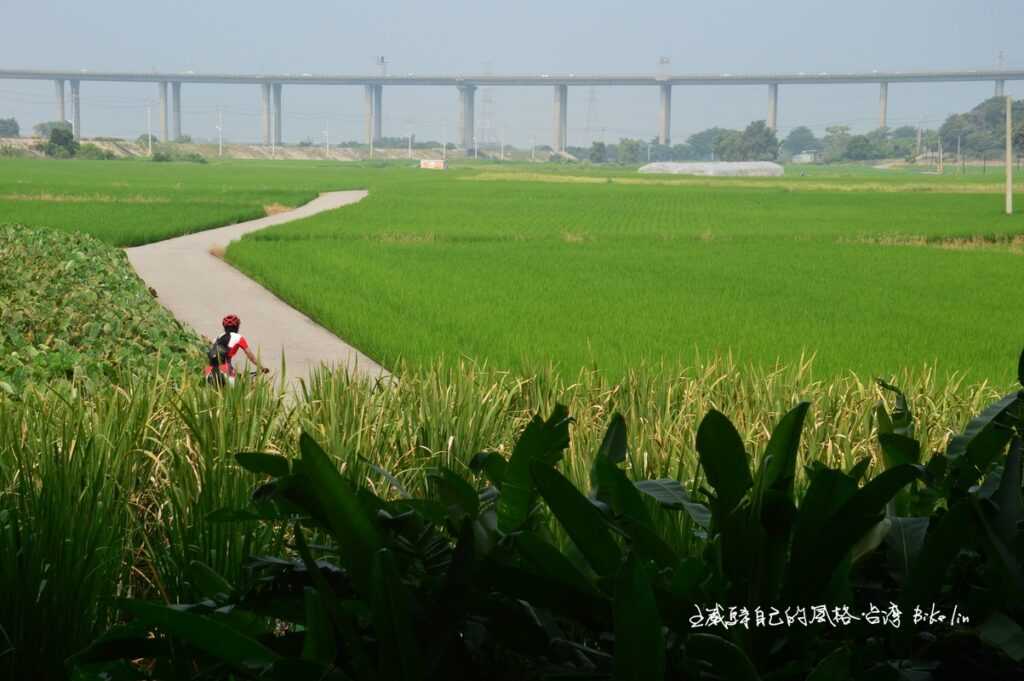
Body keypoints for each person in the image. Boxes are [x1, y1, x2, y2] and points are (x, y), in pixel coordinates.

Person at [204, 314, 270, 387]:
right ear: (237, 327)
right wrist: (261, 367)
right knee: (243, 389)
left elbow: (212, 352)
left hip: (209, 373)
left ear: (224, 327)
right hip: (226, 371)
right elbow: (250, 355)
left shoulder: (219, 337)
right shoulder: (239, 338)